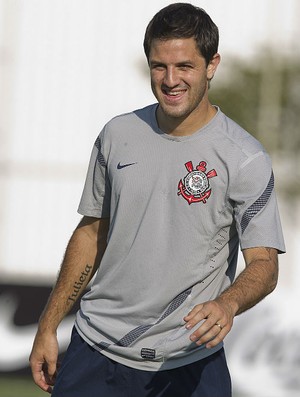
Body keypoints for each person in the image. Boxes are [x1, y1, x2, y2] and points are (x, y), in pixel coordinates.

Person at [29, 3, 285, 397]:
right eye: (158, 66)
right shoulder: (118, 134)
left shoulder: (244, 157)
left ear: (211, 65)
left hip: (188, 360)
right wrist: (48, 324)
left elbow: (265, 264)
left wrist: (227, 304)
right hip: (96, 352)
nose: (170, 80)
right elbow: (91, 233)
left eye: (184, 66)